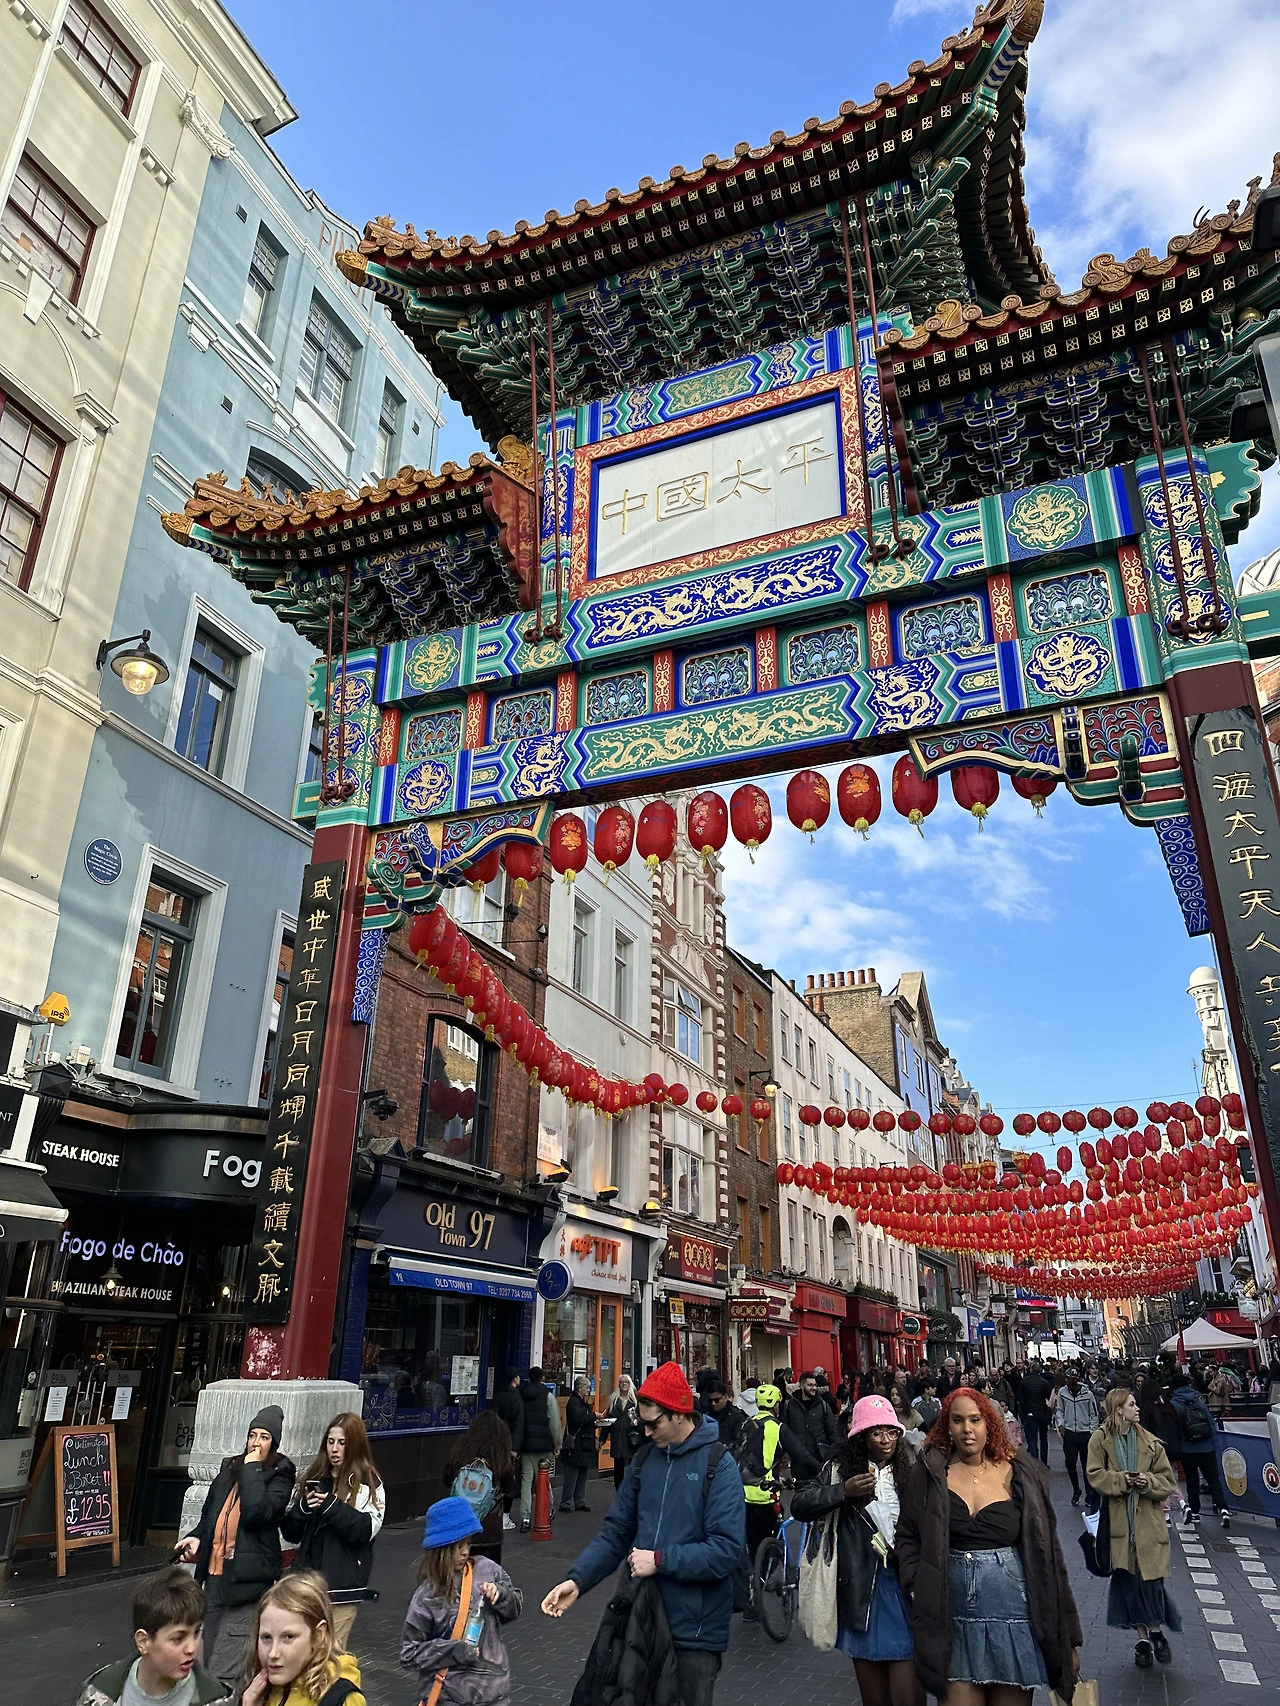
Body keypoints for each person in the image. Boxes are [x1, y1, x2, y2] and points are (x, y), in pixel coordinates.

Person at [541, 1360, 745, 1706]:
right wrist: (578, 1580)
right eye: (643, 1423)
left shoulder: (718, 1465)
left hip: (693, 1633)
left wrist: (661, 1560)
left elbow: (725, 1550)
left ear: (679, 1413)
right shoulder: (645, 1461)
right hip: (638, 1619)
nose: (647, 1433)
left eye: (654, 1424)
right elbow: (616, 1532)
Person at [896, 1388, 1081, 1706]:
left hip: (1014, 1618)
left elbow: (1049, 1557)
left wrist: (1069, 1640)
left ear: (989, 1424)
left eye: (975, 1420)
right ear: (947, 1426)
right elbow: (907, 1535)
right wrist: (917, 1582)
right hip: (951, 1621)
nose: (967, 1429)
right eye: (957, 1420)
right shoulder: (929, 1473)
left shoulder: (1022, 1474)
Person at [793, 1395, 922, 1706]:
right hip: (861, 1592)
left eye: (891, 1432)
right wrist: (843, 1491)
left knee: (908, 1690)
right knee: (873, 1695)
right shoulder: (839, 1470)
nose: (886, 1440)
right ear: (861, 1436)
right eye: (877, 1433)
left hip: (904, 1586)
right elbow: (800, 1504)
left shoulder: (912, 1469)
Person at [176, 1404, 295, 1688]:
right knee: (203, 1654)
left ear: (274, 1443)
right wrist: (196, 1537)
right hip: (215, 1576)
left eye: (264, 1437)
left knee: (226, 1662)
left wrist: (253, 1468)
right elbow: (210, 1515)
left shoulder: (280, 1472)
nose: (255, 1442)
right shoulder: (230, 1467)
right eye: (253, 1435)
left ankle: (227, 1697)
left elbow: (256, 1513)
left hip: (247, 1581)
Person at [1087, 1388, 1181, 1668]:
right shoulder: (1100, 1440)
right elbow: (1094, 1475)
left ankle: (1155, 1631)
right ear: (1118, 1409)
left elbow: (1167, 1481)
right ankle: (1144, 1639)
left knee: (1151, 1582)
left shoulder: (1150, 1442)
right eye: (1131, 1404)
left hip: (1148, 1526)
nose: (1137, 1408)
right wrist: (1122, 1480)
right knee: (1128, 1583)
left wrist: (1147, 1482)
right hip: (1119, 1526)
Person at [401, 1496, 522, 1706]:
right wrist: (453, 1651)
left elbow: (515, 1608)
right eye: (458, 1546)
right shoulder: (426, 1596)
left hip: (495, 1695)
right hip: (450, 1698)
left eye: (468, 1543)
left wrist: (501, 1595)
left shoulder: (487, 1569)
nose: (465, 1551)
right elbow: (409, 1654)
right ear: (441, 1549)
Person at [279, 1412, 384, 1648]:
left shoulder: (368, 1482)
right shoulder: (317, 1477)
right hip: (307, 1585)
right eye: (330, 1441)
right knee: (302, 1651)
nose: (334, 1449)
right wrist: (303, 1508)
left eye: (342, 1443)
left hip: (341, 1590)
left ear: (355, 1445)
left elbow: (364, 1530)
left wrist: (331, 1506)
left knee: (330, 1654)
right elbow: (290, 1533)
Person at [75, 1565, 231, 1706]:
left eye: (196, 1633)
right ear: (143, 1641)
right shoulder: (101, 1692)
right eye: (178, 1639)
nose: (191, 1648)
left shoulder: (214, 1698)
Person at [239, 1570, 365, 1706]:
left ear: (319, 1635)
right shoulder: (263, 1690)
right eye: (266, 1637)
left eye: (288, 1637)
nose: (273, 1653)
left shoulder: (340, 1699)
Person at [446, 1410, 517, 1565]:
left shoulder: (461, 1453)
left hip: (460, 1527)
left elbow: (447, 1478)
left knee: (458, 1573)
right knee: (488, 1575)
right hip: (489, 1532)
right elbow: (510, 1488)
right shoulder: (500, 1458)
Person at [1169, 1374, 1229, 1528]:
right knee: (1213, 1479)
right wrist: (1213, 1444)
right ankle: (1223, 1509)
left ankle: (1195, 1512)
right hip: (1206, 1446)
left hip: (1187, 1448)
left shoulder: (1174, 1404)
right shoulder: (1198, 1401)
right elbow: (1210, 1423)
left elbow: (1174, 1429)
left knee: (1192, 1480)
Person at [516, 1365, 562, 1531]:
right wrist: (557, 1444)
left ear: (529, 1378)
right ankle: (547, 1510)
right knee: (543, 1479)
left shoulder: (522, 1395)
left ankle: (525, 1518)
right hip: (544, 1444)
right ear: (542, 1378)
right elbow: (554, 1423)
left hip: (527, 1444)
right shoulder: (548, 1396)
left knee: (526, 1481)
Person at [1052, 1370, 1100, 1510]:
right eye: (1066, 1378)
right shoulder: (1063, 1392)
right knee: (1070, 1464)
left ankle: (1089, 1494)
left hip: (1084, 1433)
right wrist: (1061, 1424)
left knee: (1086, 1466)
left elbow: (1094, 1414)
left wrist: (1092, 1431)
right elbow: (1060, 1410)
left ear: (1076, 1379)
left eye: (1070, 1378)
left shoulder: (1087, 1394)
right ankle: (1076, 1490)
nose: (1068, 1381)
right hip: (1070, 1433)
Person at [784, 1370, 840, 1480]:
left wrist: (835, 1455)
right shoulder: (790, 1406)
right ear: (801, 1385)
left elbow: (832, 1432)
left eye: (815, 1385)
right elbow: (785, 1432)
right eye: (810, 1385)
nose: (814, 1388)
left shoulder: (823, 1406)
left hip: (820, 1459)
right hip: (798, 1461)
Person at [561, 1376, 601, 1513]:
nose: (588, 1390)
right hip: (576, 1444)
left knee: (582, 1473)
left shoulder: (582, 1402)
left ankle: (580, 1501)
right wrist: (594, 1416)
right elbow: (579, 1419)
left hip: (584, 1442)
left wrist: (595, 1424)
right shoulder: (573, 1402)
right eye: (586, 1388)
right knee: (572, 1475)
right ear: (579, 1388)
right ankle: (565, 1502)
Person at [491, 1369, 524, 1530]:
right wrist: (515, 1448)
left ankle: (491, 1512)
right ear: (515, 1379)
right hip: (509, 1442)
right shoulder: (516, 1397)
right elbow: (519, 1423)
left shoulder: (497, 1396)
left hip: (495, 1442)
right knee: (509, 1479)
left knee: (494, 1477)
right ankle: (505, 1516)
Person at [601, 1374, 641, 1489]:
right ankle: (619, 1492)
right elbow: (607, 1421)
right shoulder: (613, 1400)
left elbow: (642, 1418)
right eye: (621, 1382)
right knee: (618, 1470)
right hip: (617, 1439)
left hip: (631, 1440)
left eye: (626, 1382)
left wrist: (637, 1422)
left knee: (630, 1468)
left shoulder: (635, 1401)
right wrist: (602, 1439)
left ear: (630, 1384)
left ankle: (630, 1491)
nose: (624, 1384)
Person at [1017, 1362, 1054, 1464]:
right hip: (1042, 1413)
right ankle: (1044, 1462)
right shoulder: (1044, 1383)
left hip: (1030, 1413)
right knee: (1043, 1438)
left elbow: (1020, 1398)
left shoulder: (1024, 1381)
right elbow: (1048, 1398)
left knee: (1032, 1438)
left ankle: (1035, 1460)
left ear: (1030, 1370)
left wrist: (1025, 1411)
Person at [708, 1380, 746, 1451]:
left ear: (725, 1397)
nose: (713, 1403)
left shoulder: (737, 1416)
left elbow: (739, 1442)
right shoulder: (707, 1415)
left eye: (716, 1400)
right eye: (710, 1400)